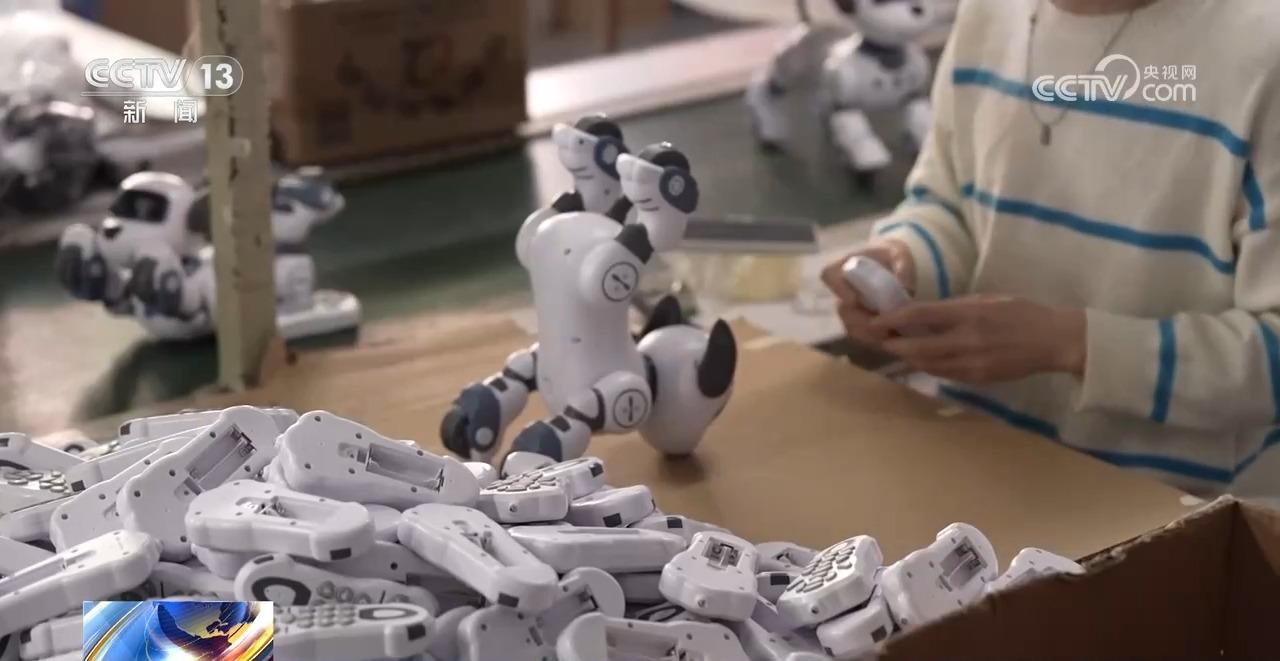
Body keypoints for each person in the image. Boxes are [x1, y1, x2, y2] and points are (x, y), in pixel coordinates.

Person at [822, 0, 1280, 500]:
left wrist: (1071, 344)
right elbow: (949, 204)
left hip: (1175, 503)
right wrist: (905, 260)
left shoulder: (1262, 49)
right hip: (979, 455)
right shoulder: (987, 14)